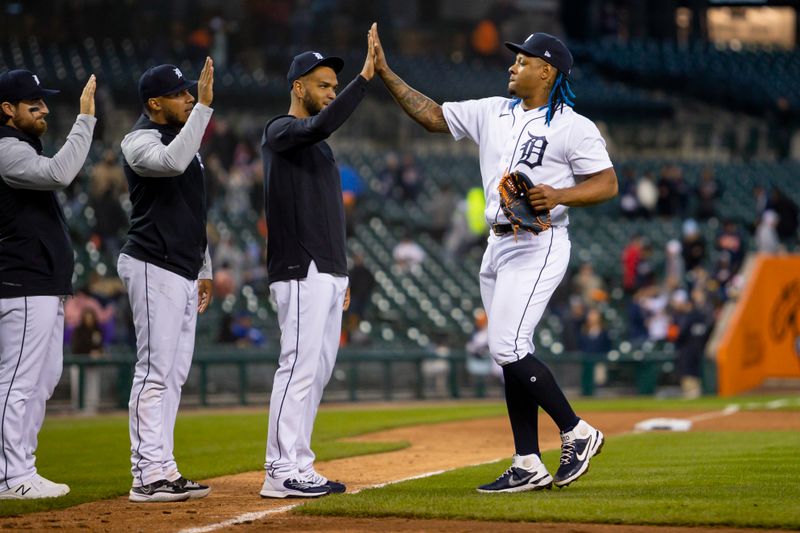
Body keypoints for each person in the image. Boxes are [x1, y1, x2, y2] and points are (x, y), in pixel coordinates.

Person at [371, 26, 617, 492]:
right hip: (498, 244)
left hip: (538, 243)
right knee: (508, 352)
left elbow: (607, 183)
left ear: (546, 72)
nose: (513, 65)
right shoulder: (492, 112)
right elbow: (431, 115)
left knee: (506, 345)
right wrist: (385, 72)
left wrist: (560, 194)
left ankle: (577, 431)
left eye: (523, 61)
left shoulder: (573, 125)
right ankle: (527, 461)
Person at [259, 26, 376, 499]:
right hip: (299, 268)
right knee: (299, 366)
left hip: (326, 270)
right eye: (323, 85)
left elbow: (327, 214)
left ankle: (298, 463)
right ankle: (279, 468)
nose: (330, 92)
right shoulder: (281, 130)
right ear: (297, 87)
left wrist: (340, 269)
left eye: (335, 85)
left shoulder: (317, 145)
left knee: (318, 369)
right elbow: (318, 125)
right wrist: (364, 78)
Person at [117, 58, 215, 503]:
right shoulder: (138, 139)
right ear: (154, 102)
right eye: (180, 94)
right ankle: (145, 474)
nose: (190, 97)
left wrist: (205, 267)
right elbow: (171, 166)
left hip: (182, 266)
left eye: (190, 92)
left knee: (173, 375)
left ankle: (164, 467)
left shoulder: (181, 138)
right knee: (154, 373)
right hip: (151, 261)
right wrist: (204, 112)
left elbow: (193, 211)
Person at [0, 70, 96, 499]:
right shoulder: (5, 149)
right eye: (32, 102)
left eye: (43, 101)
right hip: (22, 281)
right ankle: (8, 474)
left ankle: (22, 468)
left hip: (42, 282)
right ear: (7, 109)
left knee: (43, 378)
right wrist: (86, 119)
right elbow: (61, 172)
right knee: (18, 379)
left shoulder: (21, 149)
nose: (43, 108)